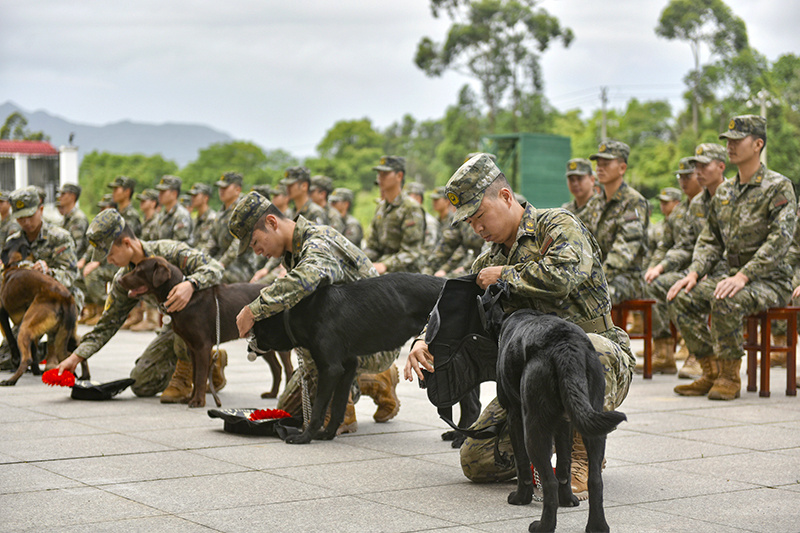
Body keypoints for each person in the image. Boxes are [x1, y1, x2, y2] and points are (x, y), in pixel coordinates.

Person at [404, 154, 634, 499]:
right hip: (532, 374)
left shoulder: (556, 224)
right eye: (469, 222)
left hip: (594, 354)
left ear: (506, 197)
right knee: (477, 461)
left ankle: (583, 454)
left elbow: (564, 276)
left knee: (585, 349)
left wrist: (506, 277)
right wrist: (423, 341)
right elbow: (455, 308)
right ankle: (540, 454)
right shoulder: (488, 260)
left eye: (479, 215)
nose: (477, 228)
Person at [229, 191, 401, 429]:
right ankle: (376, 380)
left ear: (271, 222)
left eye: (256, 242)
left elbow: (307, 278)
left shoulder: (317, 241)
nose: (257, 251)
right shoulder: (293, 254)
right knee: (287, 410)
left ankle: (341, 411)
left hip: (378, 340)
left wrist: (253, 309)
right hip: (349, 337)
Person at [667, 115, 796, 401]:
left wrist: (743, 275)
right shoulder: (724, 191)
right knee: (679, 295)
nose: (731, 146)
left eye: (738, 141)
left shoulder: (778, 186)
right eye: (728, 141)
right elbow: (710, 239)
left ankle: (729, 376)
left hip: (771, 280)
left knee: (725, 298)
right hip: (735, 279)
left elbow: (780, 240)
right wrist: (694, 273)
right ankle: (710, 369)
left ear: (758, 144)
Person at [55, 209, 226, 402]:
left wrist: (191, 284)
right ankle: (211, 361)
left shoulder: (168, 252)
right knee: (142, 384)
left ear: (127, 243)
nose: (108, 261)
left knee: (184, 321)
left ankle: (185, 378)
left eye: (110, 254)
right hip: (174, 327)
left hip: (199, 321)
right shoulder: (123, 280)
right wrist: (77, 356)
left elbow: (216, 268)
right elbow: (108, 324)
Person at [0, 187, 81, 369]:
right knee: (6, 358)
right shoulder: (13, 241)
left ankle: (54, 349)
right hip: (27, 306)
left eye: (31, 215)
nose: (27, 222)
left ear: (41, 210)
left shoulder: (59, 237)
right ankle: (40, 348)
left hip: (56, 299)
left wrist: (49, 272)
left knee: (69, 298)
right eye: (21, 217)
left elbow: (71, 275)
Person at [642, 164, 703, 376]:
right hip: (681, 270)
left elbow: (700, 248)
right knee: (651, 284)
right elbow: (665, 246)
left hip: (706, 270)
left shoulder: (708, 205)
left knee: (685, 290)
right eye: (681, 177)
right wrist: (653, 268)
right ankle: (664, 352)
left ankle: (698, 353)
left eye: (689, 176)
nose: (684, 181)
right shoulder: (679, 213)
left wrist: (663, 266)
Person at [582, 140, 650, 305]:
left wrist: (596, 277)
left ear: (622, 168)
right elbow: (579, 234)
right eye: (598, 164)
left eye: (606, 163)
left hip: (627, 278)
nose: (599, 168)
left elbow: (623, 252)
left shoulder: (634, 202)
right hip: (597, 275)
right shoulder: (595, 203)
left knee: (589, 301)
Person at [363, 155, 426, 274]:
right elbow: (373, 246)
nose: (380, 178)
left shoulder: (410, 208)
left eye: (385, 174)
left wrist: (385, 265)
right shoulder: (381, 208)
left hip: (406, 272)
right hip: (383, 269)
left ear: (399, 176)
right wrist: (360, 259)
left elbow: (411, 252)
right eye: (379, 173)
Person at [202, 171, 257, 283]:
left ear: (237, 190)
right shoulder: (221, 212)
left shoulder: (244, 210)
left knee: (209, 279)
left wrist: (220, 264)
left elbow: (238, 244)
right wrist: (202, 258)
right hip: (222, 262)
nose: (221, 191)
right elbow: (212, 241)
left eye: (225, 187)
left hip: (241, 266)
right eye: (220, 188)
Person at [426, 185, 484, 278]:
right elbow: (447, 245)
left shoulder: (484, 215)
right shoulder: (458, 219)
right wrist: (429, 268)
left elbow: (487, 250)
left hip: (477, 265)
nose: (434, 203)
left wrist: (463, 267)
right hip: (464, 264)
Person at [406, 181, 441, 257]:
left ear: (418, 198)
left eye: (408, 197)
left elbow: (429, 249)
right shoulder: (406, 220)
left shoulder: (429, 222)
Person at [154, 175, 192, 242]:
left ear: (174, 193)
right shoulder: (162, 214)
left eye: (163, 191)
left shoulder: (181, 215)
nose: (159, 194)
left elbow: (179, 246)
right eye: (160, 191)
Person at [56, 183, 89, 259]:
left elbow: (76, 246)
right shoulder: (67, 217)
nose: (60, 197)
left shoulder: (78, 218)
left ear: (72, 197)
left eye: (63, 194)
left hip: (76, 261)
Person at [562, 157, 596, 223]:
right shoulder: (566, 211)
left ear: (592, 180)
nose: (575, 184)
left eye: (580, 179)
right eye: (571, 180)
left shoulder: (600, 207)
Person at [188, 182, 216, 251]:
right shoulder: (195, 220)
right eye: (191, 195)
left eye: (195, 195)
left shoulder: (212, 219)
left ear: (205, 198)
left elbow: (210, 245)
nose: (192, 198)